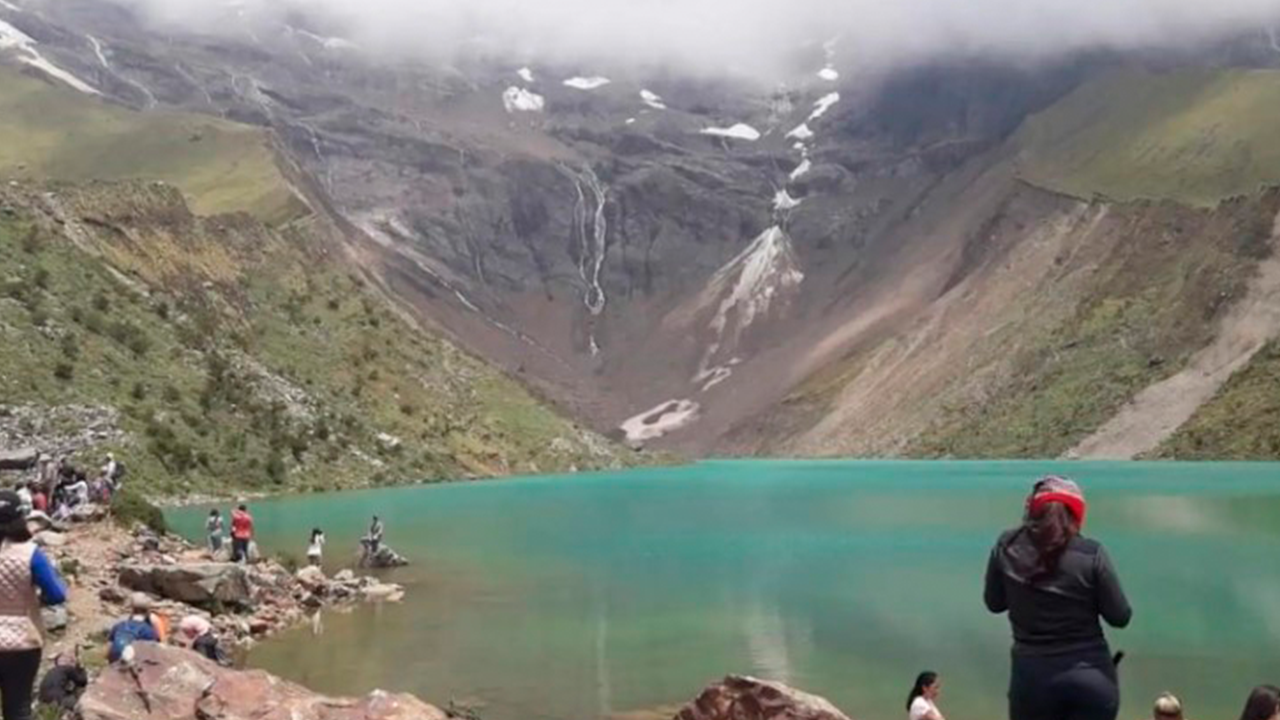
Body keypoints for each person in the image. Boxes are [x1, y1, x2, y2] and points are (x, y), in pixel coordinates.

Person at [984, 476, 1131, 720]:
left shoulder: (1007, 546)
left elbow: (994, 603)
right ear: (1076, 515)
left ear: (1032, 511)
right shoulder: (1091, 553)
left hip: (1032, 679)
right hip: (1090, 678)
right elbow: (1120, 617)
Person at [0, 489, 68, 720]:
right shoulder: (30, 553)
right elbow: (57, 594)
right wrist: (37, 598)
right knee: (18, 706)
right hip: (23, 641)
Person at [107, 594, 161, 663]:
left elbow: (109, 647)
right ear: (148, 612)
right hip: (133, 662)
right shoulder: (148, 630)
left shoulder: (119, 625)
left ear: (132, 610)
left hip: (113, 661)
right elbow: (153, 651)